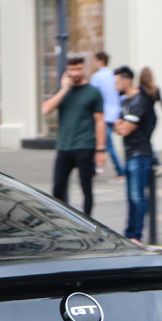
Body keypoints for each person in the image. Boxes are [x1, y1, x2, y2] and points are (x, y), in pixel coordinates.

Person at [42, 55, 105, 216]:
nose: (75, 72)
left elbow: (100, 121)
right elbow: (46, 109)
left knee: (86, 187)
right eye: (72, 69)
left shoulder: (93, 92)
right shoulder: (63, 90)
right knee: (58, 188)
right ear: (67, 71)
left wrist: (100, 150)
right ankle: (66, 220)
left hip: (85, 145)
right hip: (64, 146)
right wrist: (64, 89)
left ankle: (88, 222)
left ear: (84, 69)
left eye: (78, 68)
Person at [114, 66, 157, 242]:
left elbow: (124, 129)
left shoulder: (139, 100)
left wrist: (121, 125)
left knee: (137, 196)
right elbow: (118, 126)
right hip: (130, 153)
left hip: (140, 153)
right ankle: (130, 233)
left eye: (117, 82)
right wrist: (120, 125)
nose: (114, 86)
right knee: (131, 198)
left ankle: (135, 235)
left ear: (127, 81)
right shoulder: (125, 102)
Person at [89, 51, 125, 178]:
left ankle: (120, 170)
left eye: (95, 61)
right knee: (102, 142)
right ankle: (93, 168)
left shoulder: (97, 77)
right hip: (114, 113)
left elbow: (91, 95)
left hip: (103, 115)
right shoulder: (113, 75)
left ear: (100, 61)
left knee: (107, 145)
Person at [139, 67, 162, 176]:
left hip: (143, 119)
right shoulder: (155, 89)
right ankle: (152, 163)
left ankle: (157, 163)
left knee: (146, 142)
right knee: (147, 141)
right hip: (153, 119)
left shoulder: (140, 90)